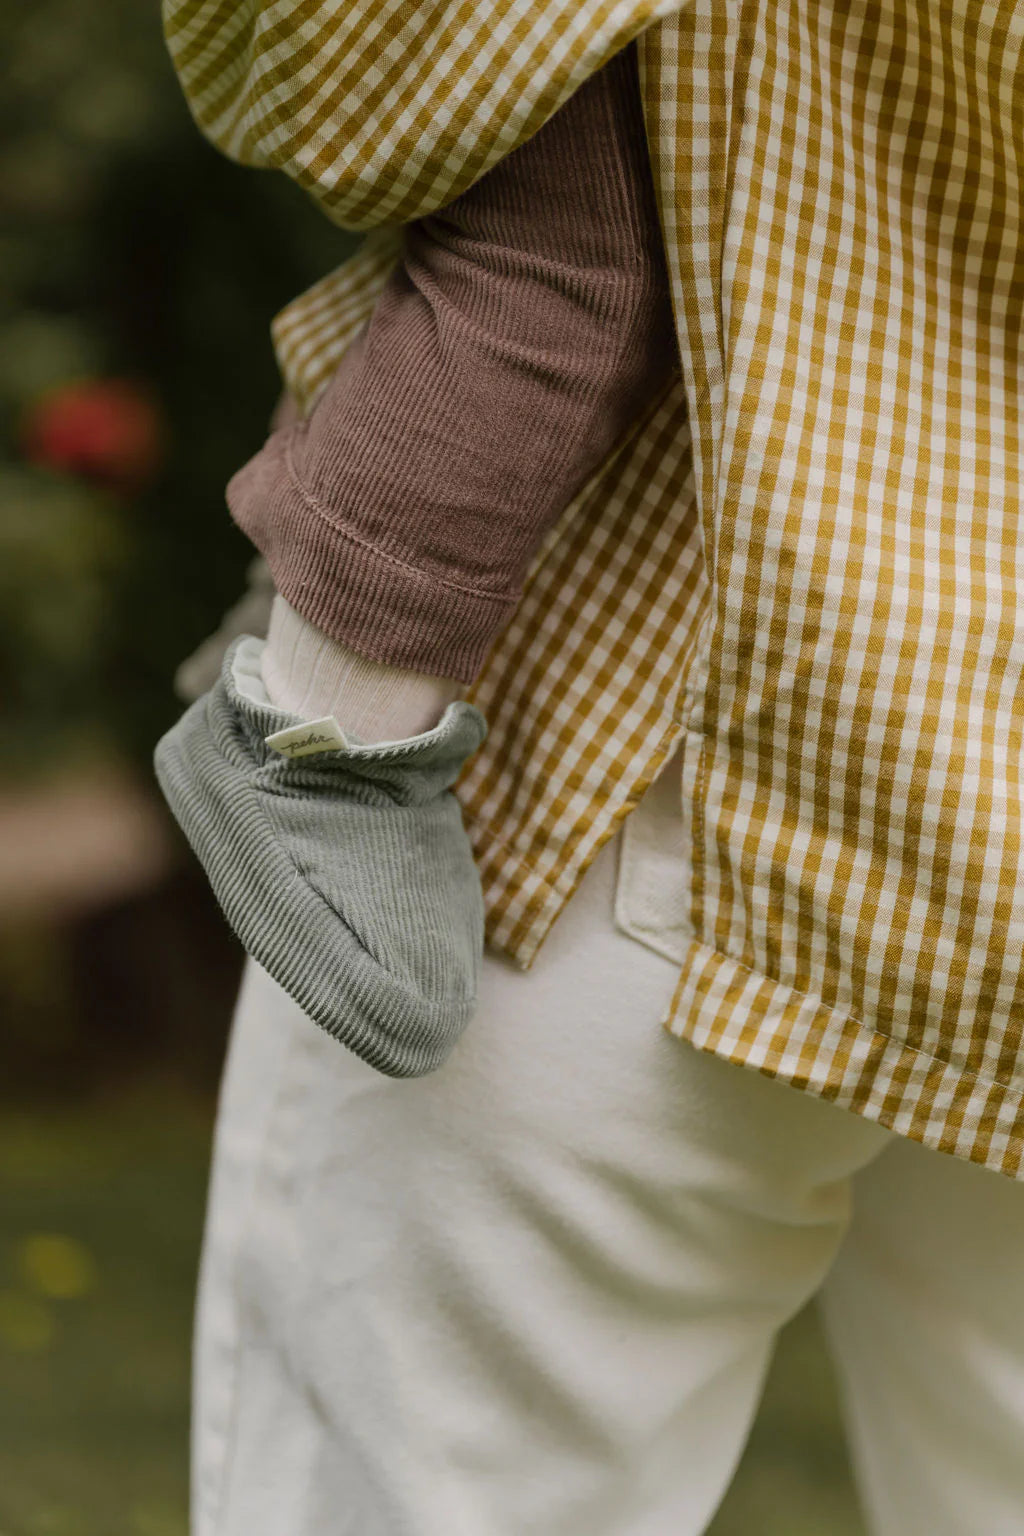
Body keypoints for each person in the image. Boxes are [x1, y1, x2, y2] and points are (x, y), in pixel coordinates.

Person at [159, 3, 1024, 1533]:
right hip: (805, 694)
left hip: (654, 713)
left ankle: (319, 687)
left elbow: (389, 82)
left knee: (547, 268)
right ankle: (326, 668)